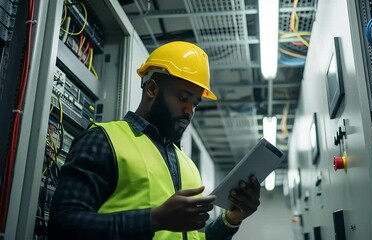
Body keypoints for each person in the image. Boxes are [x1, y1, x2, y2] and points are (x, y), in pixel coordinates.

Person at [48, 41, 261, 240]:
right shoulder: (103, 140)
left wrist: (232, 219)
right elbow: (63, 225)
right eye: (183, 98)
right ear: (151, 89)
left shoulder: (188, 166)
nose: (189, 111)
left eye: (195, 103)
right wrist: (154, 220)